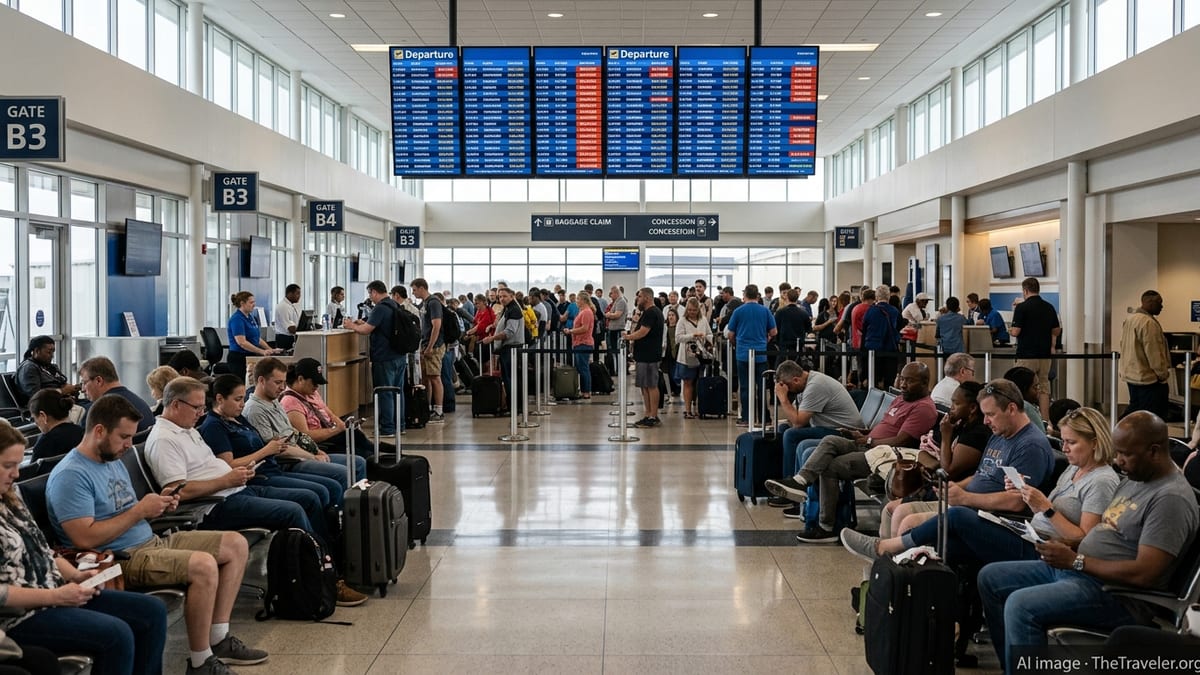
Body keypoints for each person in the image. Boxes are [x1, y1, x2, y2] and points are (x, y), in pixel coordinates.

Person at [47, 395, 267, 675]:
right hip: (120, 557)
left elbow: (126, 509)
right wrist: (140, 511)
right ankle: (201, 661)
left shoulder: (110, 458)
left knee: (235, 544)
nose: (129, 445)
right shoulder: (71, 475)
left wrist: (159, 503)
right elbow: (84, 539)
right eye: (124, 437)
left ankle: (218, 638)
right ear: (99, 431)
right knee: (203, 565)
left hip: (150, 539)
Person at [976, 412, 1198, 673]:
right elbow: (1105, 532)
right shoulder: (1138, 478)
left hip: (1116, 594)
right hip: (1081, 569)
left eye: (1126, 454)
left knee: (1021, 605)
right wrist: (1068, 548)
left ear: (1154, 451)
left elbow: (1145, 573)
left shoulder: (1170, 499)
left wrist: (1077, 560)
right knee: (991, 578)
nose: (1118, 460)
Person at [0, 422, 169, 675]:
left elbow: (43, 551)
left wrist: (77, 576)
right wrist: (56, 596)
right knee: (116, 634)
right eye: (7, 466)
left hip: (55, 593)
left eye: (16, 465)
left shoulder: (9, 498)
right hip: (20, 615)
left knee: (152, 611)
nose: (16, 474)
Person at [839, 378, 1056, 560]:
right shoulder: (1001, 434)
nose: (987, 421)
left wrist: (964, 498)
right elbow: (981, 476)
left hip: (991, 516)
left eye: (990, 414)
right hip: (969, 503)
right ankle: (883, 576)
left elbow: (1018, 501)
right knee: (894, 509)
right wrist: (952, 488)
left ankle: (892, 567)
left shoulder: (1030, 446)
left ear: (1011, 409)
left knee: (908, 520)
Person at [197, 375, 366, 607]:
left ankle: (333, 556)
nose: (241, 404)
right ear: (219, 398)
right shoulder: (214, 427)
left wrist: (274, 448)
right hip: (252, 481)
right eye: (237, 399)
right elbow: (229, 465)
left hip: (265, 472)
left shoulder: (237, 420)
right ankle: (320, 574)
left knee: (322, 492)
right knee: (305, 501)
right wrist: (267, 450)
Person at [142, 378, 331, 546]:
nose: (201, 413)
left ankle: (327, 559)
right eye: (197, 408)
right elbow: (179, 491)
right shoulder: (164, 440)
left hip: (235, 489)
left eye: (202, 408)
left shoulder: (186, 427)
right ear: (176, 404)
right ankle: (317, 568)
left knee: (310, 498)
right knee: (293, 511)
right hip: (215, 505)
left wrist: (236, 475)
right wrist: (226, 480)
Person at [766, 361, 939, 543]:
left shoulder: (923, 408)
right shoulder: (902, 399)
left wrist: (870, 440)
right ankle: (799, 482)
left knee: (829, 465)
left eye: (909, 381)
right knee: (829, 441)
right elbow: (883, 427)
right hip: (870, 443)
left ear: (924, 382)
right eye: (902, 379)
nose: (902, 385)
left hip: (885, 454)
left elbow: (901, 440)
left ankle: (827, 527)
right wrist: (863, 434)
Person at [938, 407, 1119, 569]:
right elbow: (1044, 510)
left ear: (1094, 443)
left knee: (958, 516)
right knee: (950, 546)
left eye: (1071, 443)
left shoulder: (1101, 481)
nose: (1064, 449)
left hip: (1045, 550)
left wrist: (1046, 508)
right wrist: (1025, 493)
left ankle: (908, 545)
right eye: (1063, 441)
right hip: (1031, 534)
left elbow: (1084, 541)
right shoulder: (1075, 468)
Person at [879, 381, 991, 537]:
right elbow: (929, 454)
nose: (951, 407)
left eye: (956, 403)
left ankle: (891, 553)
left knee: (895, 510)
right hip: (939, 486)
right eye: (951, 401)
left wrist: (946, 436)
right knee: (889, 507)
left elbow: (948, 471)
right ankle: (884, 554)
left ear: (972, 408)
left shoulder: (977, 433)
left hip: (953, 492)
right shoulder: (961, 424)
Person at [242, 358, 365, 491]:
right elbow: (279, 450)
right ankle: (342, 509)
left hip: (301, 452)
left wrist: (316, 450)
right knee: (342, 473)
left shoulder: (274, 401)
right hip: (288, 461)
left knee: (358, 462)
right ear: (261, 381)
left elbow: (294, 433)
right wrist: (313, 457)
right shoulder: (255, 410)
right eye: (278, 383)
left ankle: (357, 503)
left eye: (283, 382)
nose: (282, 387)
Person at [770, 358, 864, 514]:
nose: (789, 390)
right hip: (828, 428)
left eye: (789, 387)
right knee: (784, 428)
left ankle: (792, 491)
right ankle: (790, 484)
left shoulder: (815, 386)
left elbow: (799, 422)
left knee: (791, 435)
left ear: (796, 379)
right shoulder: (805, 384)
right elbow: (793, 418)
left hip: (844, 432)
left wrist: (783, 399)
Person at [343, 280, 409, 438]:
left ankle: (387, 428)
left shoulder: (380, 308)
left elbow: (366, 330)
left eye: (370, 294)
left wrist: (352, 326)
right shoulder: (394, 305)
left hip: (384, 357)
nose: (370, 298)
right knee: (398, 392)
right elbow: (376, 324)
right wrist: (364, 322)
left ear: (374, 292)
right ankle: (400, 425)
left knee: (384, 392)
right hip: (399, 355)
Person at [725, 285, 777, 427]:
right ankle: (764, 418)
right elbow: (773, 332)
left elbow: (730, 334)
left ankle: (746, 418)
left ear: (745, 295)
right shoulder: (765, 311)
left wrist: (736, 343)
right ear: (758, 296)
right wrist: (765, 339)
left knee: (745, 387)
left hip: (742, 354)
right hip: (761, 354)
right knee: (762, 386)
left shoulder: (738, 311)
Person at [1010, 277, 1061, 418]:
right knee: (1044, 387)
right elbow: (1056, 330)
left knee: (1021, 387)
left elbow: (1015, 332)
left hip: (1026, 355)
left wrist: (1010, 329)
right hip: (1044, 355)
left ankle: (1023, 418)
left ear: (1025, 291)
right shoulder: (1049, 307)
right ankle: (1045, 420)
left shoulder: (1021, 307)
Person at [1119, 290, 1170, 419]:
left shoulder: (1130, 319)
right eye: (1159, 303)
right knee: (1151, 417)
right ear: (1149, 302)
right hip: (1148, 379)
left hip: (1132, 375)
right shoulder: (1148, 323)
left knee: (1135, 410)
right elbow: (1154, 353)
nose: (1162, 306)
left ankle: (1121, 432)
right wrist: (1162, 375)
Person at [77, 357, 155, 433]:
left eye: (84, 382)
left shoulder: (97, 412)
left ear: (98, 381)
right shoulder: (141, 404)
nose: (83, 389)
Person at [623, 288, 665, 429]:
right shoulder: (649, 312)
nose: (638, 299)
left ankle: (653, 415)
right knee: (644, 386)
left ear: (647, 298)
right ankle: (648, 414)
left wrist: (628, 337)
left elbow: (643, 332)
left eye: (640, 296)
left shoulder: (652, 312)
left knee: (651, 385)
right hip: (644, 355)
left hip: (650, 355)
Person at [480, 287, 525, 411]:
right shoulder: (507, 309)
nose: (502, 299)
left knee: (512, 378)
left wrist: (493, 338)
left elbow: (510, 332)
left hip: (512, 349)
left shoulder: (514, 310)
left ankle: (515, 407)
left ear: (512, 296)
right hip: (506, 349)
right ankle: (512, 405)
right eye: (500, 297)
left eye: (504, 296)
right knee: (508, 378)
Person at [410, 278, 445, 424]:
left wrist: (431, 346)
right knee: (427, 378)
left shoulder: (433, 302)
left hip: (434, 346)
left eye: (414, 290)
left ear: (422, 288)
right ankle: (428, 407)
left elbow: (436, 325)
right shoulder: (425, 303)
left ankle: (439, 410)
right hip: (426, 345)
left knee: (435, 377)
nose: (413, 292)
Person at [226, 291, 280, 379]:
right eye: (251, 302)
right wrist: (261, 351)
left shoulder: (250, 317)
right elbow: (242, 342)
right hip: (239, 358)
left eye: (254, 302)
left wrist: (270, 350)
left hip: (251, 355)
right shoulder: (237, 319)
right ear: (242, 303)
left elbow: (256, 338)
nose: (254, 305)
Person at [674, 298, 711, 419]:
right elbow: (678, 338)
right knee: (688, 382)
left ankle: (698, 407)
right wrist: (692, 335)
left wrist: (705, 337)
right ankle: (688, 409)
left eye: (694, 310)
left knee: (699, 382)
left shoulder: (703, 320)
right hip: (686, 356)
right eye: (689, 310)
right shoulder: (682, 321)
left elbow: (709, 333)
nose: (691, 312)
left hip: (700, 356)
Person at [14, 336, 79, 402]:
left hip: (64, 402)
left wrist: (71, 389)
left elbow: (61, 382)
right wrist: (62, 391)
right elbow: (36, 396)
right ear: (37, 351)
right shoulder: (29, 368)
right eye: (49, 352)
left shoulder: (51, 367)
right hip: (47, 407)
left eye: (53, 352)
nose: (52, 356)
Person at [861, 285, 901, 389]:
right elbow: (899, 327)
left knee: (873, 379)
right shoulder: (895, 311)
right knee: (889, 381)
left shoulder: (870, 311)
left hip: (873, 350)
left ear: (876, 297)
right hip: (890, 349)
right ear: (888, 297)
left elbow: (864, 329)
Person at [27, 388, 84, 461]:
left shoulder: (45, 443)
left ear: (43, 416)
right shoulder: (84, 434)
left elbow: (33, 470)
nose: (35, 423)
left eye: (34, 419)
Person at [563, 292, 595, 400]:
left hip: (583, 343)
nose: (576, 301)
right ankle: (583, 390)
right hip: (578, 343)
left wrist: (571, 331)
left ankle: (586, 391)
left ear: (583, 300)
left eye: (578, 299)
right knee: (581, 368)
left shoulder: (586, 312)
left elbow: (585, 328)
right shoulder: (582, 312)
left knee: (584, 368)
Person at [773, 288, 812, 367]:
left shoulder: (780, 312)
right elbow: (809, 329)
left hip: (783, 345)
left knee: (781, 368)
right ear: (797, 298)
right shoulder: (803, 313)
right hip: (798, 346)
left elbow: (776, 329)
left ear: (787, 297)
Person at [1003, 366, 1047, 433]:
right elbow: (1042, 433)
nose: (1039, 390)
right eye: (1035, 387)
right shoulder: (1025, 406)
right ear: (1023, 389)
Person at [603, 286, 628, 376]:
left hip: (617, 330)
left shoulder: (621, 301)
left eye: (612, 293)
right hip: (613, 330)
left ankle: (619, 370)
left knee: (617, 352)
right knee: (613, 352)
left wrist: (608, 315)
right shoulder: (616, 302)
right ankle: (615, 370)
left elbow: (617, 315)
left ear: (616, 293)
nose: (610, 295)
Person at [271, 284, 301, 350]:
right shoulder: (283, 306)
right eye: (297, 294)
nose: (299, 296)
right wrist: (303, 330)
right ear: (290, 294)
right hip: (284, 339)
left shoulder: (291, 306)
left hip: (290, 337)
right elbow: (290, 328)